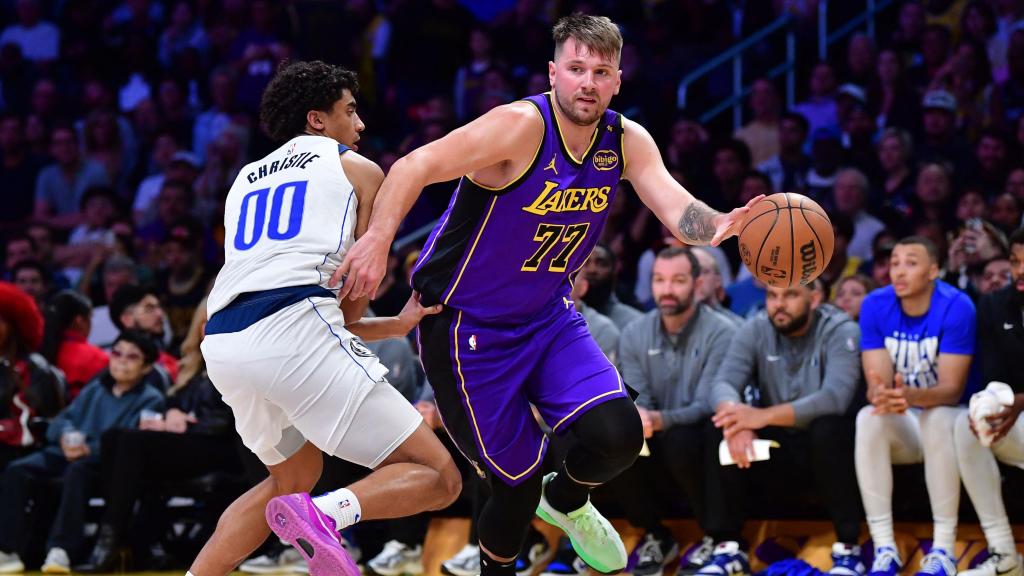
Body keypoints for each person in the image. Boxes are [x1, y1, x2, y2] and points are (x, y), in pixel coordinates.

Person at [333, 14, 757, 576]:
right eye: (577, 69)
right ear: (554, 73)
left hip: (547, 317)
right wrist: (379, 239)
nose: (587, 82)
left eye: (600, 72)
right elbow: (416, 165)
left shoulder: (626, 140)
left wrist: (724, 223)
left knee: (618, 436)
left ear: (617, 80)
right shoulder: (518, 126)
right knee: (514, 486)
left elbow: (680, 213)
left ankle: (568, 501)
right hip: (465, 327)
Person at [190, 60, 461, 576]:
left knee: (289, 479)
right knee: (438, 475)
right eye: (350, 111)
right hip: (295, 330)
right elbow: (354, 293)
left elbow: (279, 286)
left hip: (222, 339)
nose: (360, 125)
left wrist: (396, 328)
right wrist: (376, 320)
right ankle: (325, 516)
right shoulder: (358, 169)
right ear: (317, 119)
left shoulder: (243, 180)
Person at [703, 281, 864, 576]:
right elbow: (721, 384)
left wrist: (759, 417)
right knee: (719, 429)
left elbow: (835, 398)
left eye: (790, 295)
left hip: (828, 448)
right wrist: (737, 419)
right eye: (772, 295)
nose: (779, 304)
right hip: (779, 447)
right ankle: (729, 547)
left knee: (828, 429)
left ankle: (848, 549)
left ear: (815, 298)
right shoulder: (755, 328)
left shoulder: (841, 329)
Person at [612, 247, 736, 576]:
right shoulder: (634, 333)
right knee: (613, 435)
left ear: (697, 284)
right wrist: (638, 415)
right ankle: (655, 535)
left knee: (689, 437)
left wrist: (658, 419)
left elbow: (708, 403)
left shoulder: (723, 332)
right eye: (659, 280)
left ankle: (714, 536)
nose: (667, 290)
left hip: (699, 434)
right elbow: (638, 393)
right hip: (656, 432)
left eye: (678, 280)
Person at [0, 330, 165, 574]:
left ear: (146, 367)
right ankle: (7, 550)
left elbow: (130, 444)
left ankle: (61, 549)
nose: (120, 360)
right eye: (117, 353)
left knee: (78, 472)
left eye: (132, 357)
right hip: (64, 452)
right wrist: (66, 437)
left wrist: (90, 448)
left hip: (102, 464)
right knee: (17, 470)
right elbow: (61, 420)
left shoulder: (151, 399)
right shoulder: (96, 388)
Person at [856, 236, 974, 576]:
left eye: (911, 262)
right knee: (868, 418)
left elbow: (951, 391)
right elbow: (876, 384)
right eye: (894, 263)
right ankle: (884, 550)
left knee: (936, 417)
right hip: (906, 422)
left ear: (934, 270)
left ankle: (943, 550)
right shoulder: (875, 305)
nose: (899, 271)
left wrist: (908, 396)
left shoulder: (957, 306)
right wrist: (882, 396)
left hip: (953, 422)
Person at [952, 227, 1024, 576]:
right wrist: (993, 408)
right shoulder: (995, 304)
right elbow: (997, 377)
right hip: (1019, 422)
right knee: (966, 426)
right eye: (1015, 261)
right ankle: (1003, 554)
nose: (1020, 270)